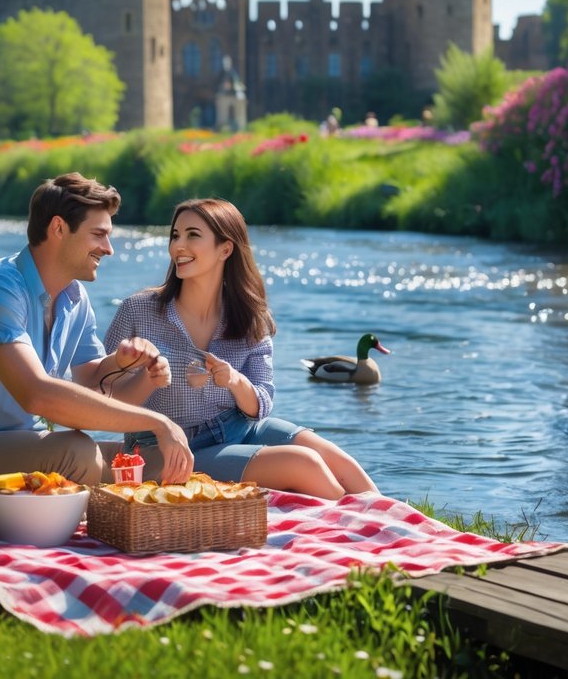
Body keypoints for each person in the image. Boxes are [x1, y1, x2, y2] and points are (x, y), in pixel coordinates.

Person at [0, 172, 194, 508]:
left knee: (153, 460)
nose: (108, 249)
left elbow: (93, 390)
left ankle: (124, 518)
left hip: (27, 449)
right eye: (99, 235)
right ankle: (104, 515)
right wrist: (158, 421)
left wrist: (135, 373)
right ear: (59, 228)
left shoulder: (74, 298)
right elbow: (38, 395)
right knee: (77, 452)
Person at [104, 198, 378, 499]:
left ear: (225, 249)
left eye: (192, 235)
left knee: (339, 462)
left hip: (240, 428)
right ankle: (355, 528)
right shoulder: (138, 310)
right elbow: (103, 390)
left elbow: (261, 404)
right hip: (169, 448)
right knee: (304, 464)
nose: (178, 246)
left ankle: (392, 525)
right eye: (175, 235)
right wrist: (147, 376)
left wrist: (234, 380)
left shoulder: (250, 317)